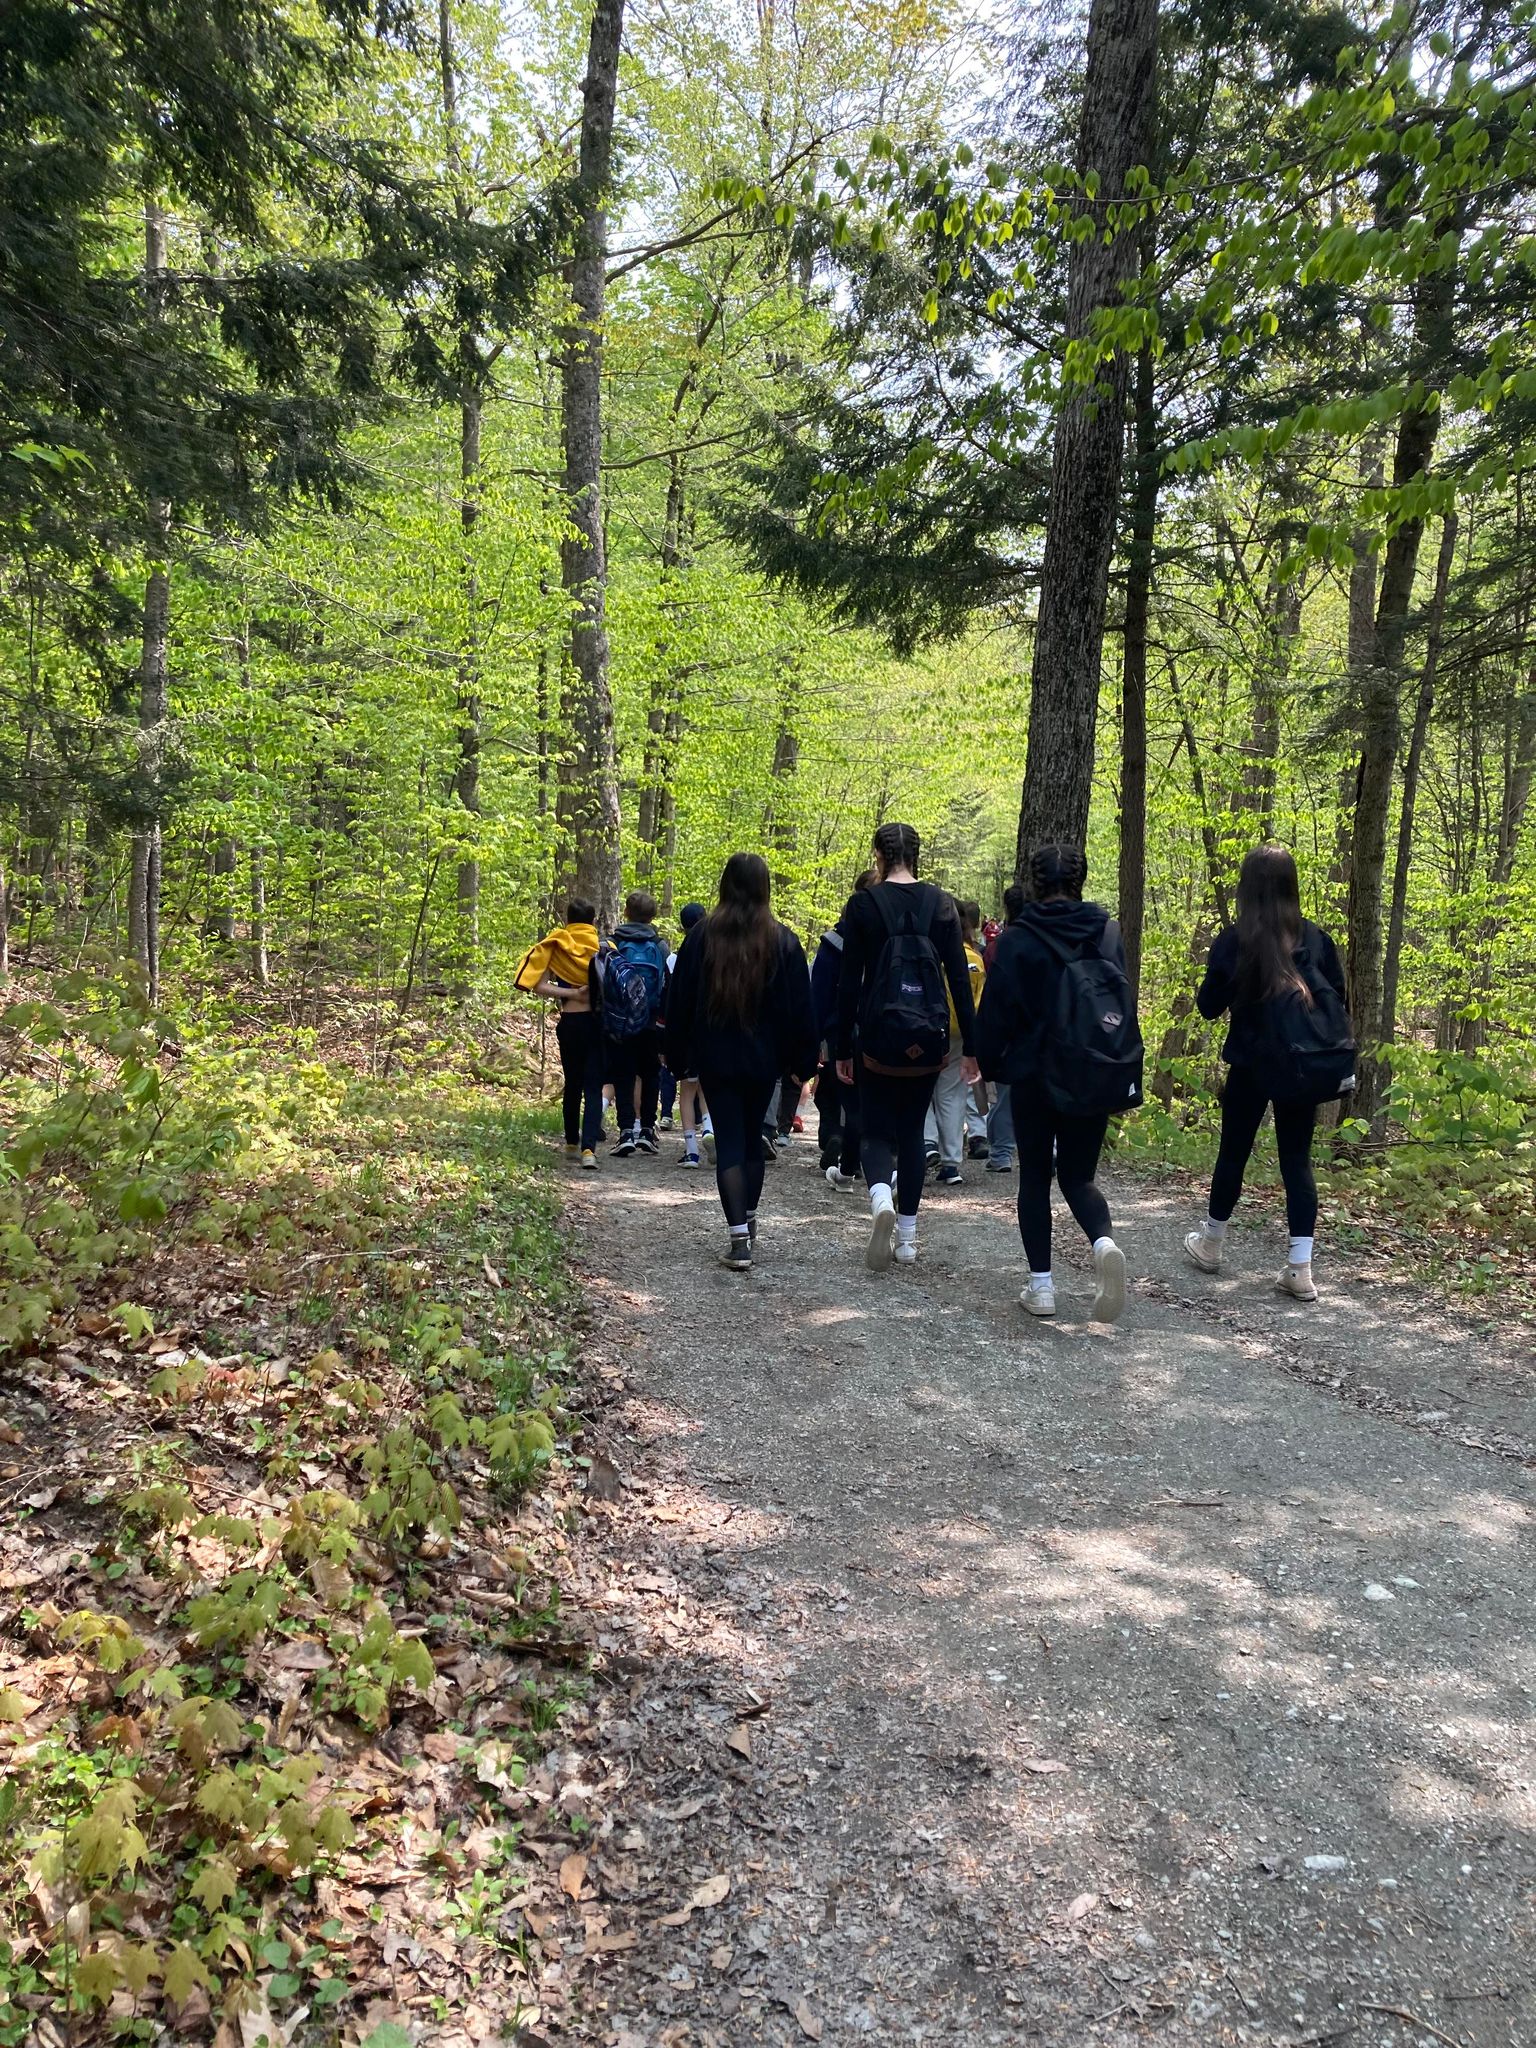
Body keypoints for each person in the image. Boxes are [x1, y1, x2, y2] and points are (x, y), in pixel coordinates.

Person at [1183, 843, 1350, 1302]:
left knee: (1233, 1153)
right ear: (1292, 887)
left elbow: (1208, 1006)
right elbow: (1338, 1000)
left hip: (1251, 1064)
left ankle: (1211, 1244)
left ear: (1247, 889)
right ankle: (1300, 1268)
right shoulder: (1316, 939)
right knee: (1297, 1161)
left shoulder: (1236, 940)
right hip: (1301, 1066)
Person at [975, 844, 1130, 1323]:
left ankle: (1041, 1287)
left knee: (1035, 1178)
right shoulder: (1107, 932)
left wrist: (990, 1064)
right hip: (1092, 1070)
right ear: (1081, 880)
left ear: (1035, 883)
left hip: (1035, 1075)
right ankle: (1103, 1244)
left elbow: (996, 1012)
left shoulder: (1019, 938)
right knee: (1079, 1178)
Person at [834, 822, 979, 1271]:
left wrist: (840, 1045)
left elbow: (848, 982)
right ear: (917, 855)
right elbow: (959, 981)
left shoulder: (864, 905)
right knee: (913, 1132)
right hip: (928, 1038)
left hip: (877, 1036)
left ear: (879, 856)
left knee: (876, 1130)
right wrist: (972, 1046)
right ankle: (909, 1240)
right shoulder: (942, 905)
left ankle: (881, 1197)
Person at [666, 852, 816, 1270]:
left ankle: (738, 1239)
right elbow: (801, 1009)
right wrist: (802, 1062)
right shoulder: (783, 941)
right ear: (764, 888)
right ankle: (747, 1220)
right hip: (763, 1060)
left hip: (716, 1058)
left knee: (730, 1139)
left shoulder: (701, 937)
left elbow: (679, 1001)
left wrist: (677, 1055)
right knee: (752, 1139)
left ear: (725, 885)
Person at [516, 900, 604, 1166]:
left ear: (568, 920)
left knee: (573, 1083)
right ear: (593, 921)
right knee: (593, 1087)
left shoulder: (557, 946)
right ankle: (589, 1150)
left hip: (570, 1022)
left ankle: (571, 1143)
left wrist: (570, 993)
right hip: (596, 1023)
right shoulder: (602, 948)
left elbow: (539, 985)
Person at [598, 890, 670, 1157]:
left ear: (626, 912)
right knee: (651, 1074)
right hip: (651, 1020)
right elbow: (665, 984)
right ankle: (648, 1130)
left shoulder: (613, 943)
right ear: (652, 916)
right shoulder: (660, 946)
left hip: (620, 1022)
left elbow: (603, 981)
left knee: (623, 1075)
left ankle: (626, 1131)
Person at [810, 872, 871, 1186]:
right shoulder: (889, 939)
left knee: (834, 1090)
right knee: (866, 1097)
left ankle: (834, 1134)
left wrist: (813, 1037)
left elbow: (818, 995)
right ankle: (858, 1155)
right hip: (878, 1029)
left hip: (837, 1031)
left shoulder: (831, 945)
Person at [925, 897, 986, 1185]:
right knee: (953, 1094)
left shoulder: (933, 953)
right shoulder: (976, 958)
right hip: (962, 1032)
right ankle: (951, 1163)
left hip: (931, 1028)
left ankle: (927, 1144)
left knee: (923, 1089)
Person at [984, 882, 1026, 1173]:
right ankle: (1048, 1148)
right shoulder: (1044, 941)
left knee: (1005, 1093)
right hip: (1038, 1028)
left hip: (1007, 1027)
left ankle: (1001, 1153)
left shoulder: (998, 946)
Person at [666, 902, 709, 1166]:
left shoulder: (679, 955)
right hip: (711, 1034)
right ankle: (710, 1129)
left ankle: (691, 1150)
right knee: (708, 1089)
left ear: (683, 927)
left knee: (687, 1092)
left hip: (688, 1034)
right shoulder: (719, 948)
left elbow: (673, 1000)